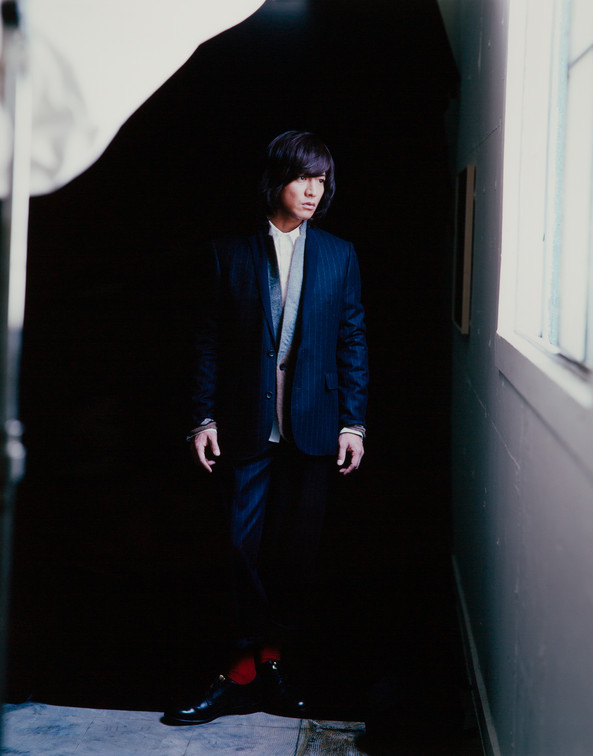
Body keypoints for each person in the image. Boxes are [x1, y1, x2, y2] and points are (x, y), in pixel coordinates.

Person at [163, 130, 368, 726]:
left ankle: (269, 661)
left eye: (321, 180)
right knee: (237, 542)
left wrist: (353, 423)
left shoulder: (339, 254)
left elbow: (352, 339)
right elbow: (206, 342)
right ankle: (242, 669)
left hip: (315, 423)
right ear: (277, 178)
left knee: (295, 553)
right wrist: (202, 417)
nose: (313, 190)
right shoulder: (227, 253)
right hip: (245, 422)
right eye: (303, 177)